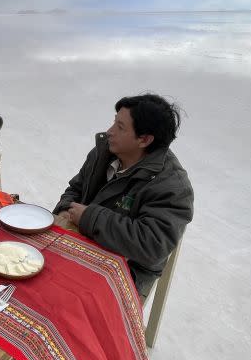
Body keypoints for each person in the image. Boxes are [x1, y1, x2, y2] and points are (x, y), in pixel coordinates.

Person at [54, 94, 194, 300]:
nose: (109, 132)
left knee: (70, 308)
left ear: (144, 140)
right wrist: (66, 209)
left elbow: (153, 245)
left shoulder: (172, 185)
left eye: (120, 127)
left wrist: (90, 218)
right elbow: (75, 189)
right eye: (114, 122)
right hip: (80, 244)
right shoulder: (103, 153)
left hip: (128, 272)